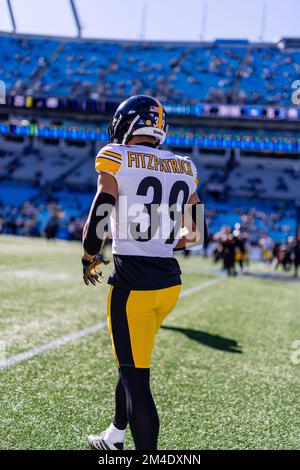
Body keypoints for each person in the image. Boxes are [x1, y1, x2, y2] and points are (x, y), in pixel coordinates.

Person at [81, 95, 206, 450]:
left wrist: (89, 254)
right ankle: (114, 436)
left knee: (137, 381)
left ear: (126, 123)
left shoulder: (115, 155)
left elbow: (103, 209)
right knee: (133, 362)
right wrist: (160, 239)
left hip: (133, 286)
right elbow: (196, 234)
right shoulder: (185, 166)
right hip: (169, 285)